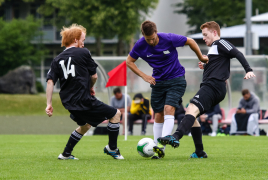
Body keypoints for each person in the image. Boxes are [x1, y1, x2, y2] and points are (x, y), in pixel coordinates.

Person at [158, 21, 255, 158]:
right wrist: (206, 65)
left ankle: (175, 136)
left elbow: (237, 53)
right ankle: (200, 152)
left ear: (214, 33)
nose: (203, 38)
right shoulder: (214, 48)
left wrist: (248, 70)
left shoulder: (221, 43)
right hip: (211, 86)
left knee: (191, 108)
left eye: (205, 34)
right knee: (193, 116)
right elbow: (219, 63)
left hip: (214, 86)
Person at [126, 20, 208, 159]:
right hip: (158, 82)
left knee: (168, 108)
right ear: (143, 36)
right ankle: (159, 151)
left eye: (152, 38)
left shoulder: (168, 38)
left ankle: (159, 147)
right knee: (158, 114)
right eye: (148, 39)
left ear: (156, 32)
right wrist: (144, 76)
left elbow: (191, 41)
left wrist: (201, 57)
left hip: (176, 79)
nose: (151, 42)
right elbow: (129, 61)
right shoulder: (140, 45)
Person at [45, 24, 124, 160]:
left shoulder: (57, 59)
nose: (83, 43)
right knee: (116, 114)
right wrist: (90, 87)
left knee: (85, 125)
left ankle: (65, 154)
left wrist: (48, 104)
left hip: (68, 102)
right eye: (83, 39)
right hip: (83, 98)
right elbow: (94, 76)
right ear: (75, 40)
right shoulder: (83, 52)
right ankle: (112, 148)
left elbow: (50, 82)